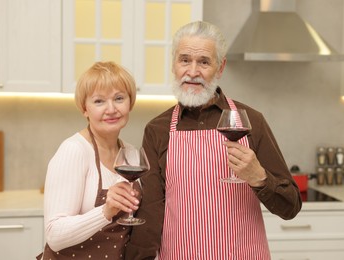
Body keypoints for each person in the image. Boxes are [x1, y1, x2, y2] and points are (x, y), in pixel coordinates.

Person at [125, 21, 302, 259]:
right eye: (185, 60)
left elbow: (290, 207)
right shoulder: (158, 129)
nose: (193, 71)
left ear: (220, 68)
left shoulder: (252, 122)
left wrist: (259, 177)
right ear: (174, 64)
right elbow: (151, 210)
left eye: (204, 62)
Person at [37, 61, 141, 259]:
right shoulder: (74, 151)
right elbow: (55, 235)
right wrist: (106, 211)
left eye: (119, 98)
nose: (111, 109)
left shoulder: (132, 154)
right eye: (99, 101)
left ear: (131, 103)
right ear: (85, 108)